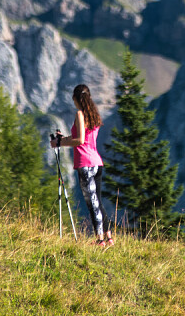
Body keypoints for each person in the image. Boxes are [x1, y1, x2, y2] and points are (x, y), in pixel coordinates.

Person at [50, 83, 114, 247]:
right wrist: (62, 139)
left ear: (76, 98)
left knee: (92, 203)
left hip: (85, 163)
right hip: (97, 162)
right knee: (97, 201)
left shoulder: (80, 114)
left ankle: (100, 240)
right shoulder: (94, 115)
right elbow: (84, 138)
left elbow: (80, 140)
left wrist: (59, 143)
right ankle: (109, 238)